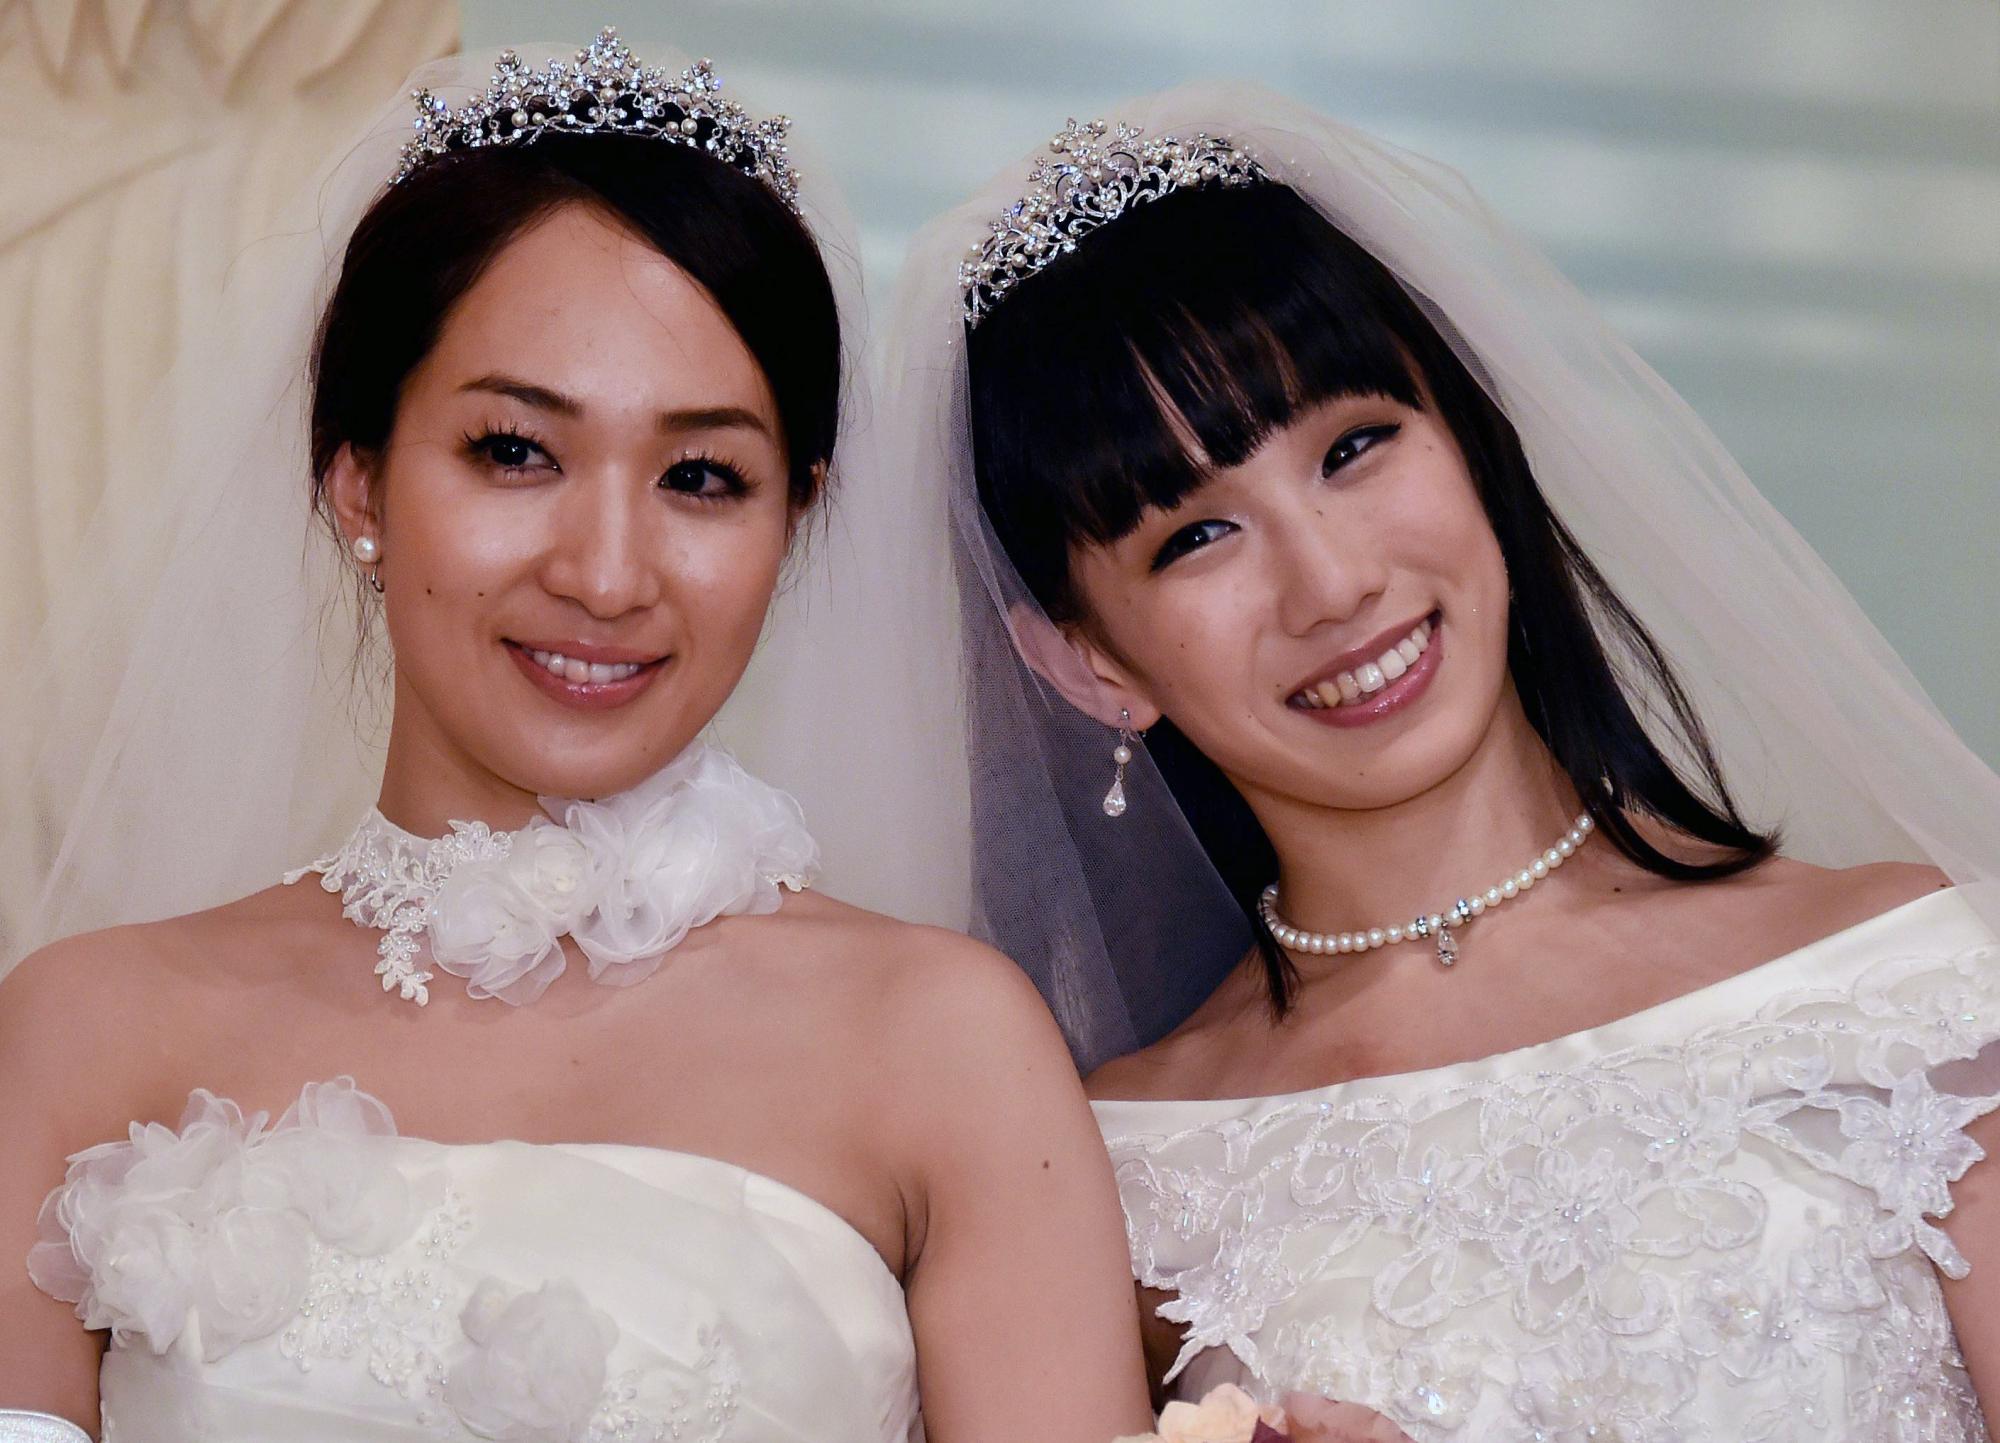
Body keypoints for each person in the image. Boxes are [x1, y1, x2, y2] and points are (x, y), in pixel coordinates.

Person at [0, 33, 1151, 1441]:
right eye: (515, 452)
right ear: (358, 481)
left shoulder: (945, 1046)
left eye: (701, 477)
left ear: (795, 519)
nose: (607, 575)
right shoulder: (82, 1032)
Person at [877, 88, 2000, 1438]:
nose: (1333, 583)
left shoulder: (1917, 987)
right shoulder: (1107, 1169)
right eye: (1195, 538)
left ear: (1473, 436)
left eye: (1353, 448)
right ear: (1085, 665)